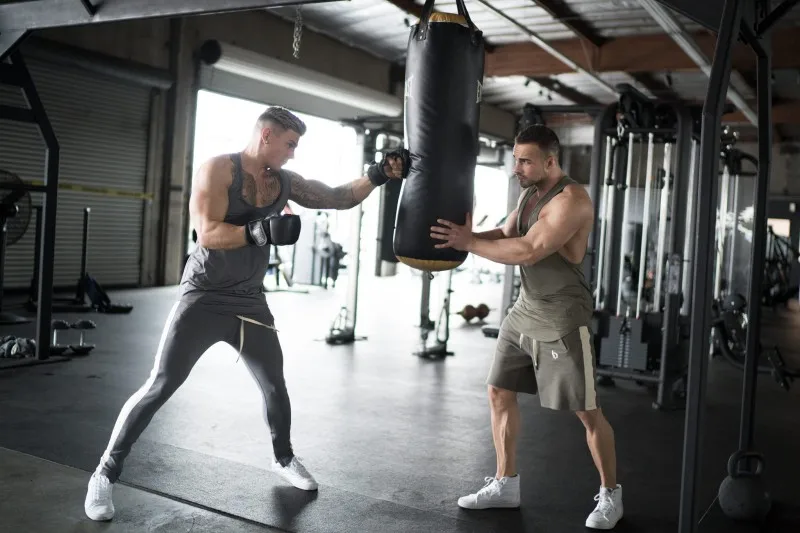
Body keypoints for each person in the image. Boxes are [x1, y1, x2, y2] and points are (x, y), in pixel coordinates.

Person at [84, 106, 408, 521]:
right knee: (161, 384)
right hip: (204, 296)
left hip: (250, 301)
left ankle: (283, 458)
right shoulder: (219, 170)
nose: (292, 153)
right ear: (267, 135)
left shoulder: (283, 182)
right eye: (289, 144)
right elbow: (207, 232)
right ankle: (105, 472)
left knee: (274, 384)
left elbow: (337, 197)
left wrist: (379, 174)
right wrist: (262, 230)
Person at [430, 125, 623, 530]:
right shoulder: (529, 192)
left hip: (562, 314)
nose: (515, 167)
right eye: (515, 159)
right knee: (499, 391)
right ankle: (506, 484)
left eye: (524, 161)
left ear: (550, 161)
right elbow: (506, 234)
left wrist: (469, 244)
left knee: (587, 411)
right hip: (525, 308)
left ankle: (611, 494)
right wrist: (460, 238)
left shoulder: (571, 200)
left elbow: (529, 250)